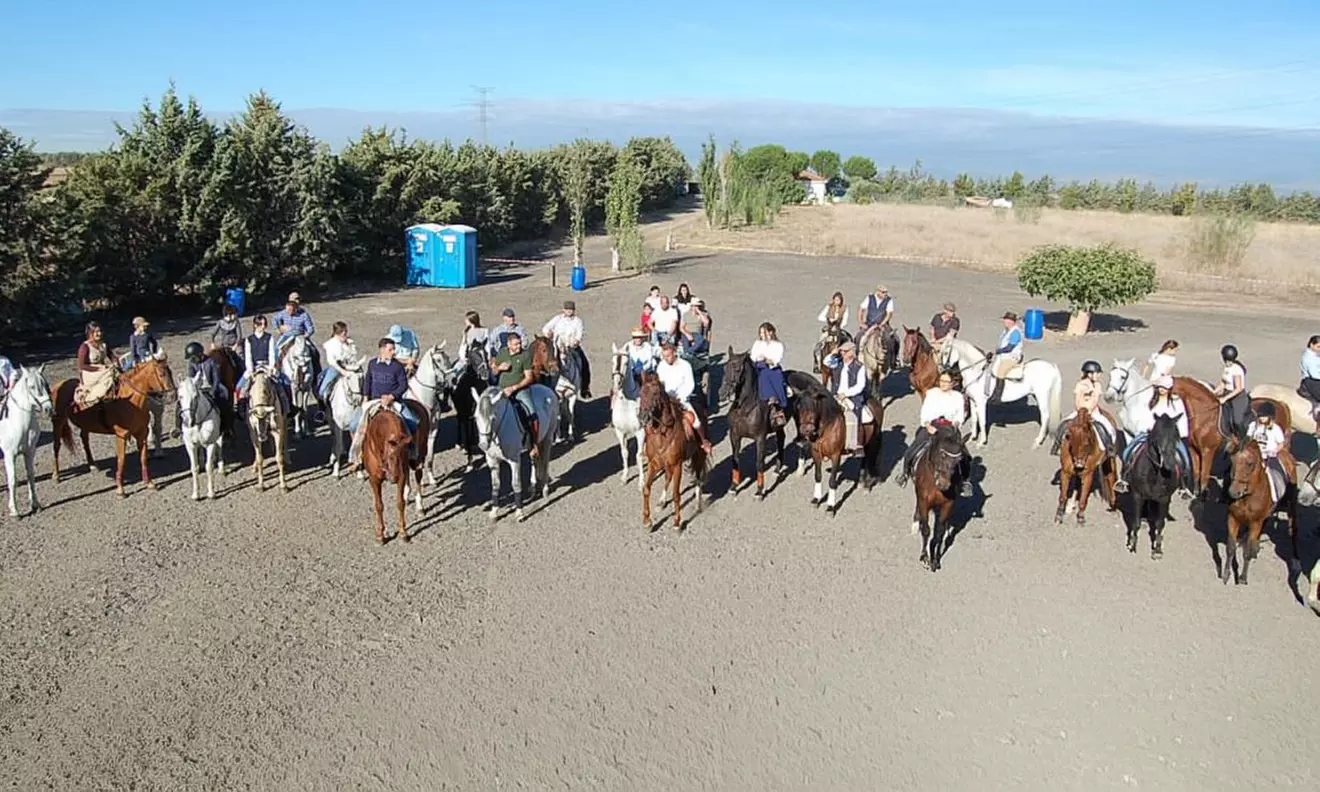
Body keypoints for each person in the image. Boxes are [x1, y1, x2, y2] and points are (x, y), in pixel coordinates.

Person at [895, 369, 973, 495]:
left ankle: (965, 481)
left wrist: (957, 423)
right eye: (941, 381)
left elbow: (960, 415)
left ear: (953, 383)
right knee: (913, 448)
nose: (942, 384)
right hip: (932, 425)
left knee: (964, 455)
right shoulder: (932, 393)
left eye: (946, 382)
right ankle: (904, 473)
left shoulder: (958, 397)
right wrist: (927, 424)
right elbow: (925, 411)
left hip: (949, 427)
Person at [349, 337, 420, 468]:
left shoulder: (397, 366)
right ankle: (357, 455)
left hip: (394, 401)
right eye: (390, 349)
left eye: (394, 349)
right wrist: (365, 397)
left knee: (412, 422)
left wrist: (392, 396)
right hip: (374, 401)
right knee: (353, 424)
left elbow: (403, 385)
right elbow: (367, 381)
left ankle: (413, 454)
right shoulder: (372, 364)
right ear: (382, 350)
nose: (393, 352)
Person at [1051, 360, 1124, 481]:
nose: (1099, 375)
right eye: (1097, 373)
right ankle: (1057, 445)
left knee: (1107, 427)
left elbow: (1095, 400)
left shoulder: (1098, 386)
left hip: (1094, 412)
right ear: (1089, 374)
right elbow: (1078, 399)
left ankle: (1110, 447)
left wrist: (1089, 411)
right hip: (1079, 411)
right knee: (1064, 424)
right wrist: (1082, 411)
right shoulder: (1080, 385)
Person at [1124, 375, 1195, 497]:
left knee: (1185, 459)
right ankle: (1124, 477)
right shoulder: (1150, 401)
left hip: (1169, 437)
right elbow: (1144, 416)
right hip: (1150, 434)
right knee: (1129, 451)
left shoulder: (1176, 402)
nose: (1162, 390)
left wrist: (1179, 434)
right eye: (1160, 387)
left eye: (1165, 388)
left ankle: (1184, 485)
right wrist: (1144, 428)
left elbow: (1181, 419)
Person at [655, 341, 713, 453]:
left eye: (668, 356)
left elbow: (690, 384)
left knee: (695, 420)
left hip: (681, 400)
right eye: (664, 356)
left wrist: (680, 397)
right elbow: (659, 383)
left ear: (674, 353)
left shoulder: (685, 365)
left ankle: (703, 440)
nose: (666, 359)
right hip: (665, 399)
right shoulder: (661, 366)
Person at [492, 333, 541, 457]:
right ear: (509, 345)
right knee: (488, 410)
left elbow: (529, 377)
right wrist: (499, 368)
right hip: (501, 389)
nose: (519, 346)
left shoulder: (525, 355)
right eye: (515, 344)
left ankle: (534, 444)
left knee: (532, 413)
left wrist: (514, 387)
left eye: (519, 343)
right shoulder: (502, 352)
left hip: (520, 390)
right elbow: (494, 370)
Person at [239, 314, 292, 416]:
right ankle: (240, 409)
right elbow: (248, 356)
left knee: (285, 383)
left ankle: (287, 407)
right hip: (254, 368)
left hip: (267, 367)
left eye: (264, 324)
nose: (263, 327)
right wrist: (251, 370)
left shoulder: (269, 338)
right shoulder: (249, 339)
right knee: (240, 387)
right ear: (255, 325)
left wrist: (271, 368)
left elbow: (272, 353)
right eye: (260, 324)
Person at [542, 300, 592, 399]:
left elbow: (579, 333)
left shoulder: (577, 321)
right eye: (567, 309)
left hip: (571, 347)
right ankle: (545, 385)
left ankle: (584, 388)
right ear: (563, 310)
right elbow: (546, 328)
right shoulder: (557, 319)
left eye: (571, 310)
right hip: (556, 346)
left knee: (584, 363)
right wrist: (548, 334)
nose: (569, 311)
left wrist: (576, 341)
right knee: (547, 361)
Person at [822, 340, 868, 447]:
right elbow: (826, 362)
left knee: (855, 414)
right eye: (842, 351)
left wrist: (846, 394)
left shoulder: (860, 367)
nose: (842, 353)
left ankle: (856, 443)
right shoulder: (838, 363)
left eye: (845, 351)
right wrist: (834, 353)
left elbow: (860, 386)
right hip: (836, 395)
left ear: (852, 352)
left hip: (852, 397)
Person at [750, 322, 788, 428]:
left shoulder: (778, 345)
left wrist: (768, 360)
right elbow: (753, 356)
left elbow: (777, 359)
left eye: (764, 332)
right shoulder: (758, 343)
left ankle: (777, 406)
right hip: (759, 367)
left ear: (771, 332)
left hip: (772, 368)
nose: (762, 335)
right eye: (761, 333)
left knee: (771, 378)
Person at [74, 322, 118, 409]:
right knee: (109, 376)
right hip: (89, 373)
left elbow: (111, 356)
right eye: (96, 331)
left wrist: (116, 362)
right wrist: (98, 368)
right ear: (90, 333)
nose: (99, 334)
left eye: (100, 331)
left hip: (103, 370)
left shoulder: (103, 344)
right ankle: (97, 399)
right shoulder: (85, 347)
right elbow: (82, 366)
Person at [1246, 402, 1289, 486]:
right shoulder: (1253, 426)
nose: (1261, 418)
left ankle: (1278, 493)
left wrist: (1274, 451)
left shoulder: (1275, 429)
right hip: (1254, 456)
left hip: (1269, 458)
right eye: (1260, 416)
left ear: (1270, 417)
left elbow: (1281, 443)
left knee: (1278, 475)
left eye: (1264, 416)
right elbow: (1248, 439)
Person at [985, 311, 1024, 403]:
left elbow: (1009, 347)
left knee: (1000, 372)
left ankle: (997, 396)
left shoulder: (1015, 332)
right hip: (1003, 356)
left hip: (1011, 357)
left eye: (1006, 320)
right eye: (1005, 320)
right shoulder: (1006, 331)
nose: (1004, 322)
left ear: (1012, 322)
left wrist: (998, 351)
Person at [1213, 344, 1250, 436]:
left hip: (1237, 397)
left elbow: (1239, 388)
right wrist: (1213, 392)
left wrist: (1225, 398)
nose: (1228, 363)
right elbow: (1223, 383)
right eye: (1226, 360)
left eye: (1230, 361)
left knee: (1237, 420)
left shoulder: (1237, 369)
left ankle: (1242, 438)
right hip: (1226, 393)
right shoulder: (1227, 368)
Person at [813, 291, 850, 374]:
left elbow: (845, 320)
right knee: (819, 345)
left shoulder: (844, 308)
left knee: (848, 341)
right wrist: (828, 319)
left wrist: (839, 326)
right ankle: (818, 364)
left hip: (839, 329)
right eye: (836, 299)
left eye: (839, 300)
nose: (837, 301)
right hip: (829, 329)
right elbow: (820, 317)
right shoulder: (828, 307)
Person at [318, 322, 356, 402]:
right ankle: (322, 409)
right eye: (342, 332)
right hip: (336, 368)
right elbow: (331, 361)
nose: (344, 334)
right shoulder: (330, 344)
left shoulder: (350, 343)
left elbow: (353, 356)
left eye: (345, 331)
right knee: (322, 390)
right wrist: (342, 370)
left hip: (350, 367)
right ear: (337, 333)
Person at [184, 341, 229, 406]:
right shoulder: (192, 364)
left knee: (222, 399)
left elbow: (216, 379)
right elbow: (191, 377)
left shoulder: (211, 362)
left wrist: (213, 391)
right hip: (198, 389)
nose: (192, 360)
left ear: (199, 354)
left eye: (193, 358)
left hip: (210, 388)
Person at [929, 302, 960, 367]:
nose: (952, 314)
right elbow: (932, 328)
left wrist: (937, 342)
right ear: (945, 310)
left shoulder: (955, 321)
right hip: (934, 340)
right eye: (950, 311)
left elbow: (950, 336)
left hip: (947, 343)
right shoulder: (937, 317)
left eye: (953, 312)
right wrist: (932, 338)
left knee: (939, 354)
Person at [1299, 335, 1320, 408]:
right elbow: (1315, 375)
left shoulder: (1315, 355)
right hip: (1313, 381)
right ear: (1311, 345)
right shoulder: (1309, 358)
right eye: (1318, 347)